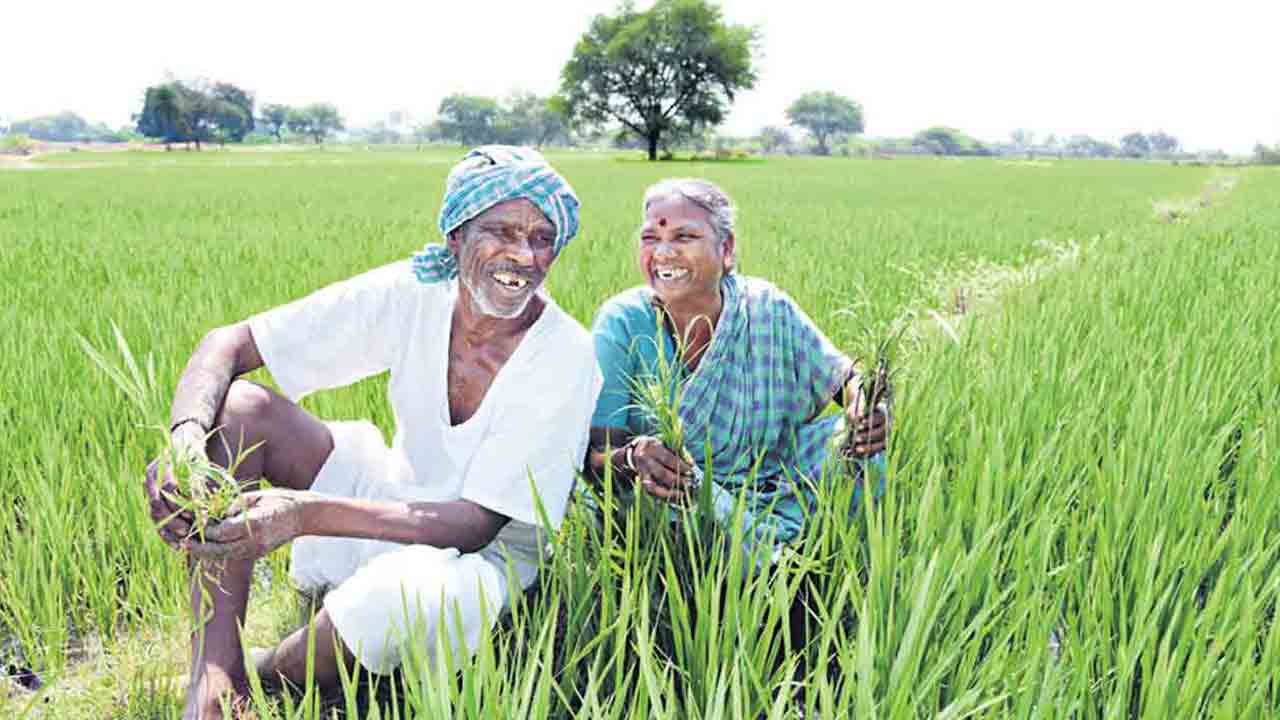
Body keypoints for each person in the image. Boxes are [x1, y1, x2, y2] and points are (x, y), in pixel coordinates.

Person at [145, 146, 601, 720]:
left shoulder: (564, 355)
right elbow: (230, 344)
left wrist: (304, 515)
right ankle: (211, 674)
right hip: (392, 499)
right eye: (503, 231)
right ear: (455, 237)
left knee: (405, 596)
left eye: (542, 238)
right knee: (238, 410)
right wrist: (185, 442)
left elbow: (477, 524)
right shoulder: (415, 292)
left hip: (483, 561)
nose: (524, 255)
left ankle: (261, 672)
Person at [586, 178, 890, 553]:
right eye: (650, 238)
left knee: (857, 451)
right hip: (678, 494)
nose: (663, 253)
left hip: (771, 476)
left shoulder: (764, 306)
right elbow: (595, 459)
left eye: (684, 237)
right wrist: (635, 458)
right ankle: (768, 563)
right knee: (672, 495)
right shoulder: (622, 322)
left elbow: (846, 379)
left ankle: (805, 548)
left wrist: (866, 410)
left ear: (726, 249)